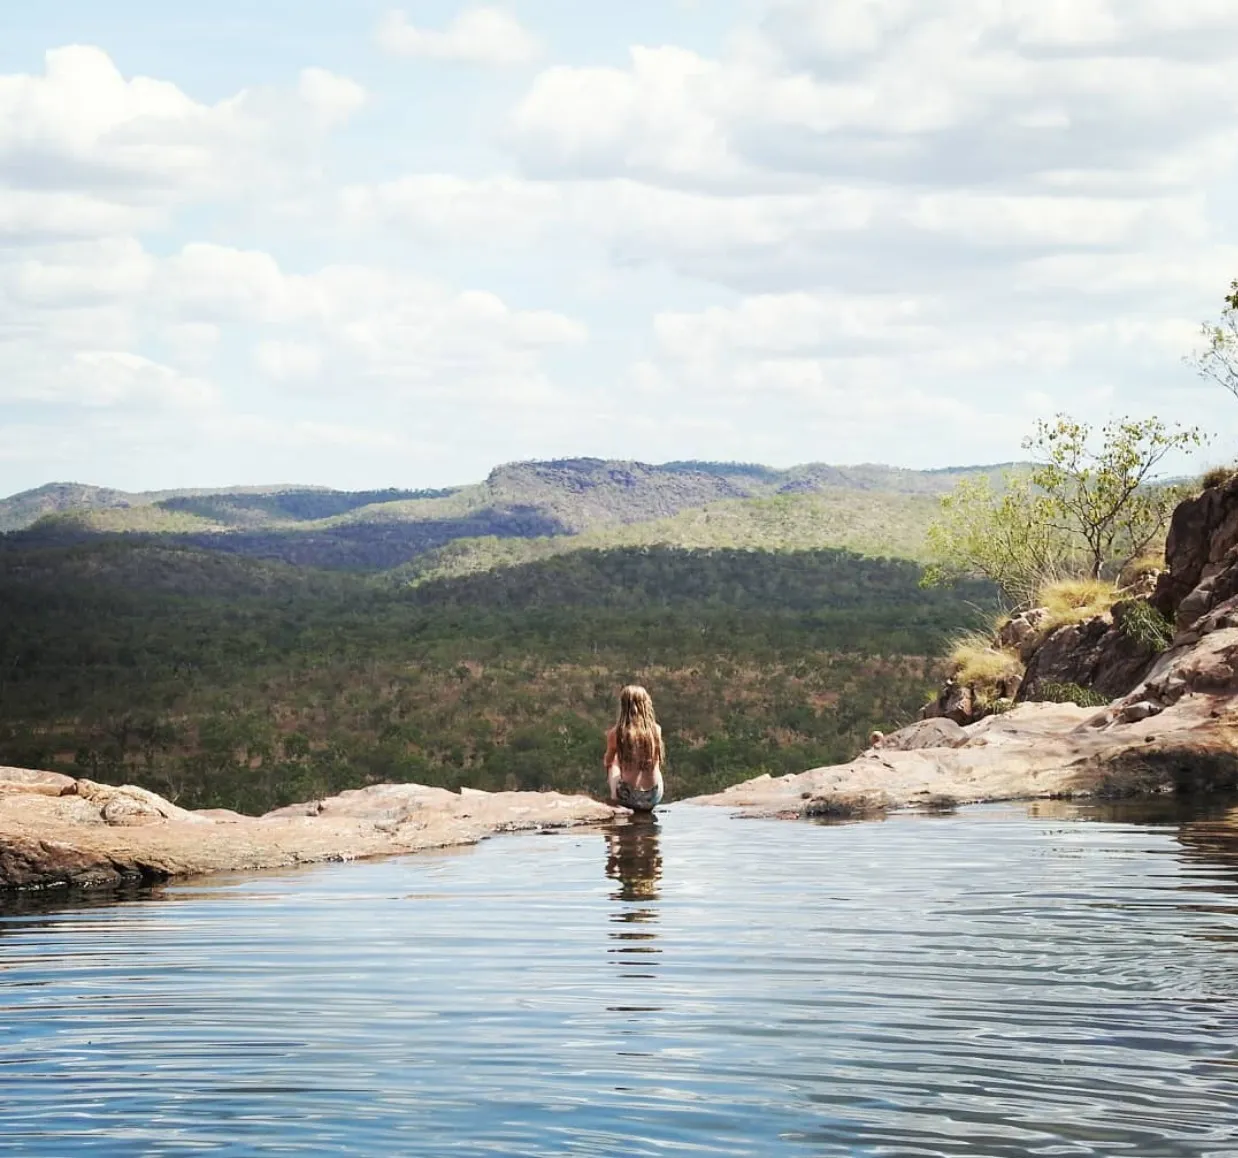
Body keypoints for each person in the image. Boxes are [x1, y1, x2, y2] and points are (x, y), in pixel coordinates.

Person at [604, 685, 665, 812]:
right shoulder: (656, 730)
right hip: (653, 796)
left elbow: (607, 761)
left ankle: (614, 798)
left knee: (613, 762)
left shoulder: (616, 733)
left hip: (628, 798)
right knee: (653, 758)